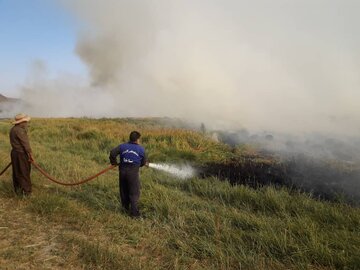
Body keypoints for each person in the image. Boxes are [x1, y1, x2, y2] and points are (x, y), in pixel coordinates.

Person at [109, 131, 147, 217]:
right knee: (134, 193)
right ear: (137, 140)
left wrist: (114, 163)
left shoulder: (122, 146)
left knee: (124, 191)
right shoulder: (141, 149)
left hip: (122, 172)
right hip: (133, 173)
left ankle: (124, 209)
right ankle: (134, 214)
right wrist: (139, 165)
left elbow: (112, 153)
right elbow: (143, 162)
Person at [9, 113, 33, 196]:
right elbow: (25, 144)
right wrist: (30, 154)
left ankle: (18, 190)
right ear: (21, 122)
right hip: (21, 154)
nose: (26, 123)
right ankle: (26, 192)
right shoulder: (20, 130)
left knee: (16, 172)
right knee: (24, 172)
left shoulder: (13, 129)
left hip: (15, 153)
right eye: (25, 122)